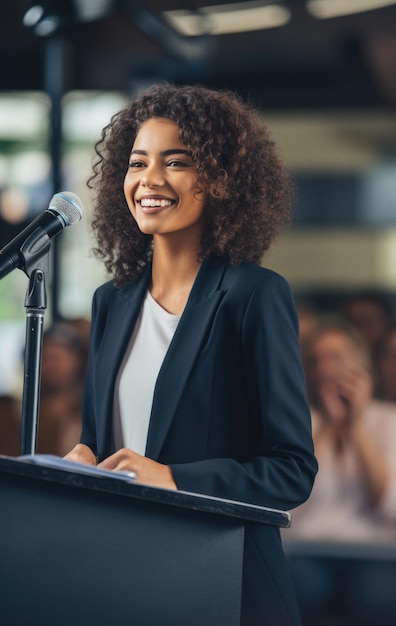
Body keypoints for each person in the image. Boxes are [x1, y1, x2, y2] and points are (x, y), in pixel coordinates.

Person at [64, 82, 318, 625]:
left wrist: (175, 478)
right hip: (122, 574)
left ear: (220, 179)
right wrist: (84, 458)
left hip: (223, 579)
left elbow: (291, 471)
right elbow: (103, 439)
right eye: (137, 163)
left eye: (175, 162)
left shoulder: (253, 295)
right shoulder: (111, 302)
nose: (149, 180)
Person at [284, 316, 396, 626]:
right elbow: (291, 498)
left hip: (377, 551)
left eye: (337, 357)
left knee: (380, 600)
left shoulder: (393, 419)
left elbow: (390, 505)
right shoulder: (303, 422)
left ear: (362, 361)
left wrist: (355, 425)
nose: (325, 368)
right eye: (316, 360)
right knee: (296, 591)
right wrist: (330, 427)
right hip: (307, 548)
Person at [36, 320, 89, 456]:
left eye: (59, 358)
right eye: (47, 358)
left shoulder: (89, 409)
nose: (53, 365)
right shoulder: (22, 411)